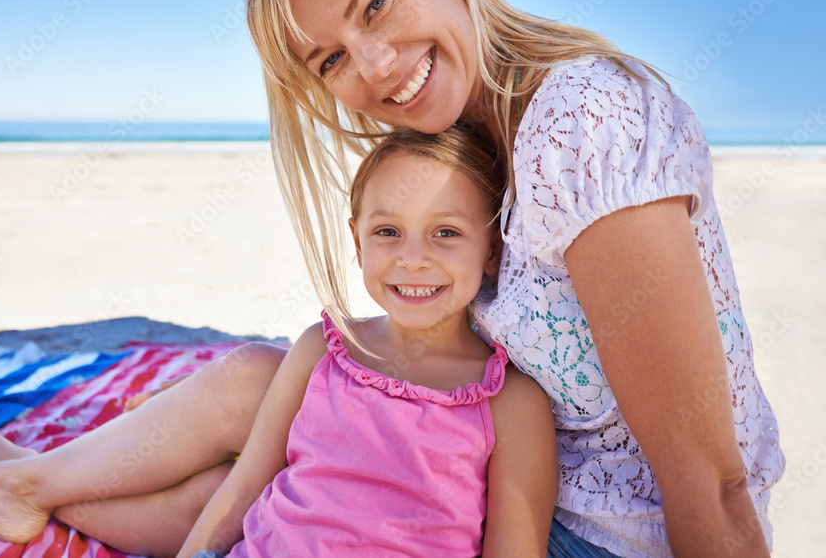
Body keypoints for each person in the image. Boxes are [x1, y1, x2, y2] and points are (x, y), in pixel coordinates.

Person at [0, 0, 784, 557]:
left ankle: (24, 478)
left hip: (592, 536)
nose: (377, 67)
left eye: (377, 4)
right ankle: (26, 476)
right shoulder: (464, 147)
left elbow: (712, 484)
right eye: (331, 60)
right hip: (498, 479)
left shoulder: (583, 122)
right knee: (263, 401)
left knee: (274, 482)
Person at [176, 126, 557, 556]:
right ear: (358, 243)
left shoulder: (511, 403)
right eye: (388, 232)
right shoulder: (321, 350)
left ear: (492, 251)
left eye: (447, 232)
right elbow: (245, 486)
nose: (413, 259)